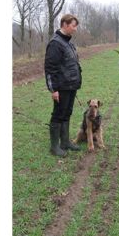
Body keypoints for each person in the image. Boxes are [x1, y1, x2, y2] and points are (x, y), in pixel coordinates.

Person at [44, 14, 83, 158]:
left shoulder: (68, 43)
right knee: (58, 115)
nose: (75, 29)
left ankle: (65, 142)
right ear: (65, 25)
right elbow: (50, 68)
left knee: (67, 113)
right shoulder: (55, 43)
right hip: (61, 87)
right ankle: (54, 147)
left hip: (71, 86)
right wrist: (53, 89)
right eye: (73, 25)